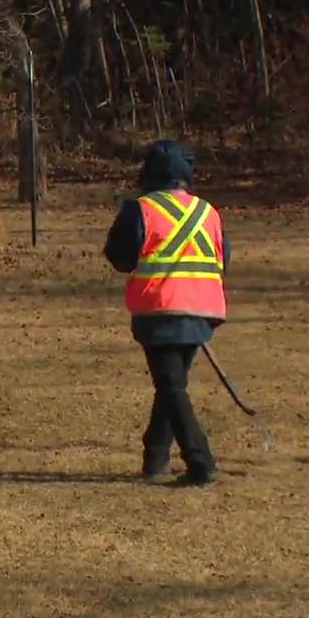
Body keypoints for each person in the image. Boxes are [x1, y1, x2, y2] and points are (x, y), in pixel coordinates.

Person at [102, 139, 231, 487]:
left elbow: (119, 257)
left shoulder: (140, 210)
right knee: (172, 385)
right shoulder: (208, 212)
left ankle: (200, 462)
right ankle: (155, 457)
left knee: (171, 386)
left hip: (160, 308)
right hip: (203, 309)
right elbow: (224, 259)